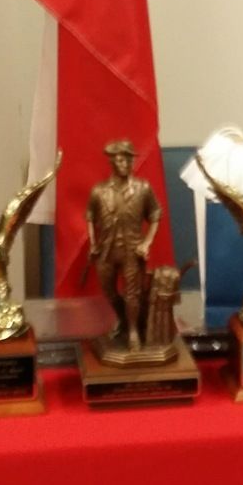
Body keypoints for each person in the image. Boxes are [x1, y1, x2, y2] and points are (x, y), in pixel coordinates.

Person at [86, 139, 162, 351]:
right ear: (112, 162)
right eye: (121, 160)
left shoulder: (142, 189)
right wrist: (93, 243)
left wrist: (147, 242)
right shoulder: (99, 191)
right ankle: (124, 319)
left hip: (132, 250)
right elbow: (90, 216)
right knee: (109, 292)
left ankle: (133, 331)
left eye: (129, 160)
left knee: (132, 294)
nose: (126, 164)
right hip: (107, 250)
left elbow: (156, 214)